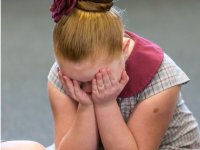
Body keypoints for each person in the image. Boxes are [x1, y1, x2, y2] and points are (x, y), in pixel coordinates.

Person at [47, 0, 200, 149]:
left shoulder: (160, 77)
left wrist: (105, 104)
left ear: (124, 49)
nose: (86, 89)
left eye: (96, 78)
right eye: (77, 81)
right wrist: (85, 107)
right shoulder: (63, 74)